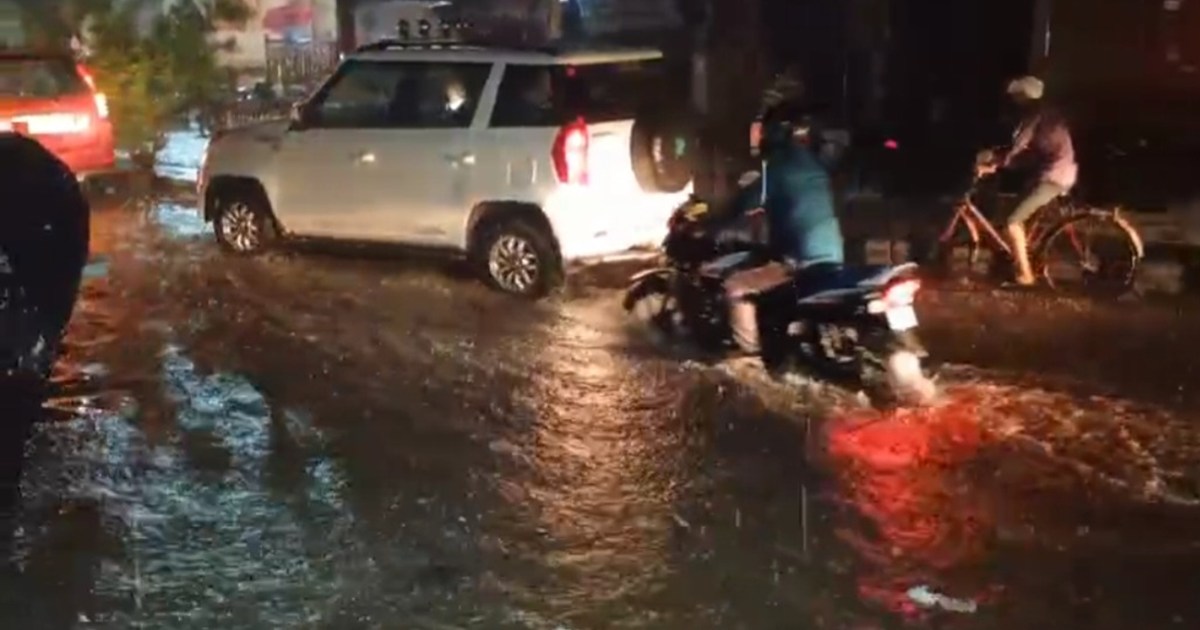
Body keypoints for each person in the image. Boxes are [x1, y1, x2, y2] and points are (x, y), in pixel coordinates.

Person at [721, 102, 845, 356]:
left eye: (762, 131)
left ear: (774, 134)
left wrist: (720, 222)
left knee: (735, 285)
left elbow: (747, 204)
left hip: (798, 263)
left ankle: (749, 357)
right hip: (833, 258)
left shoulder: (775, 169)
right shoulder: (816, 166)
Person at [985, 75, 1078, 286]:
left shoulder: (1034, 117)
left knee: (1012, 221)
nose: (1014, 101)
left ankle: (1025, 275)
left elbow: (1017, 147)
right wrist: (1004, 162)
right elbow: (1029, 153)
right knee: (1011, 209)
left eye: (1017, 97)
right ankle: (1010, 263)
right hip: (1056, 173)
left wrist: (993, 163)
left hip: (1053, 177)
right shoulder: (1049, 115)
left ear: (1025, 98)